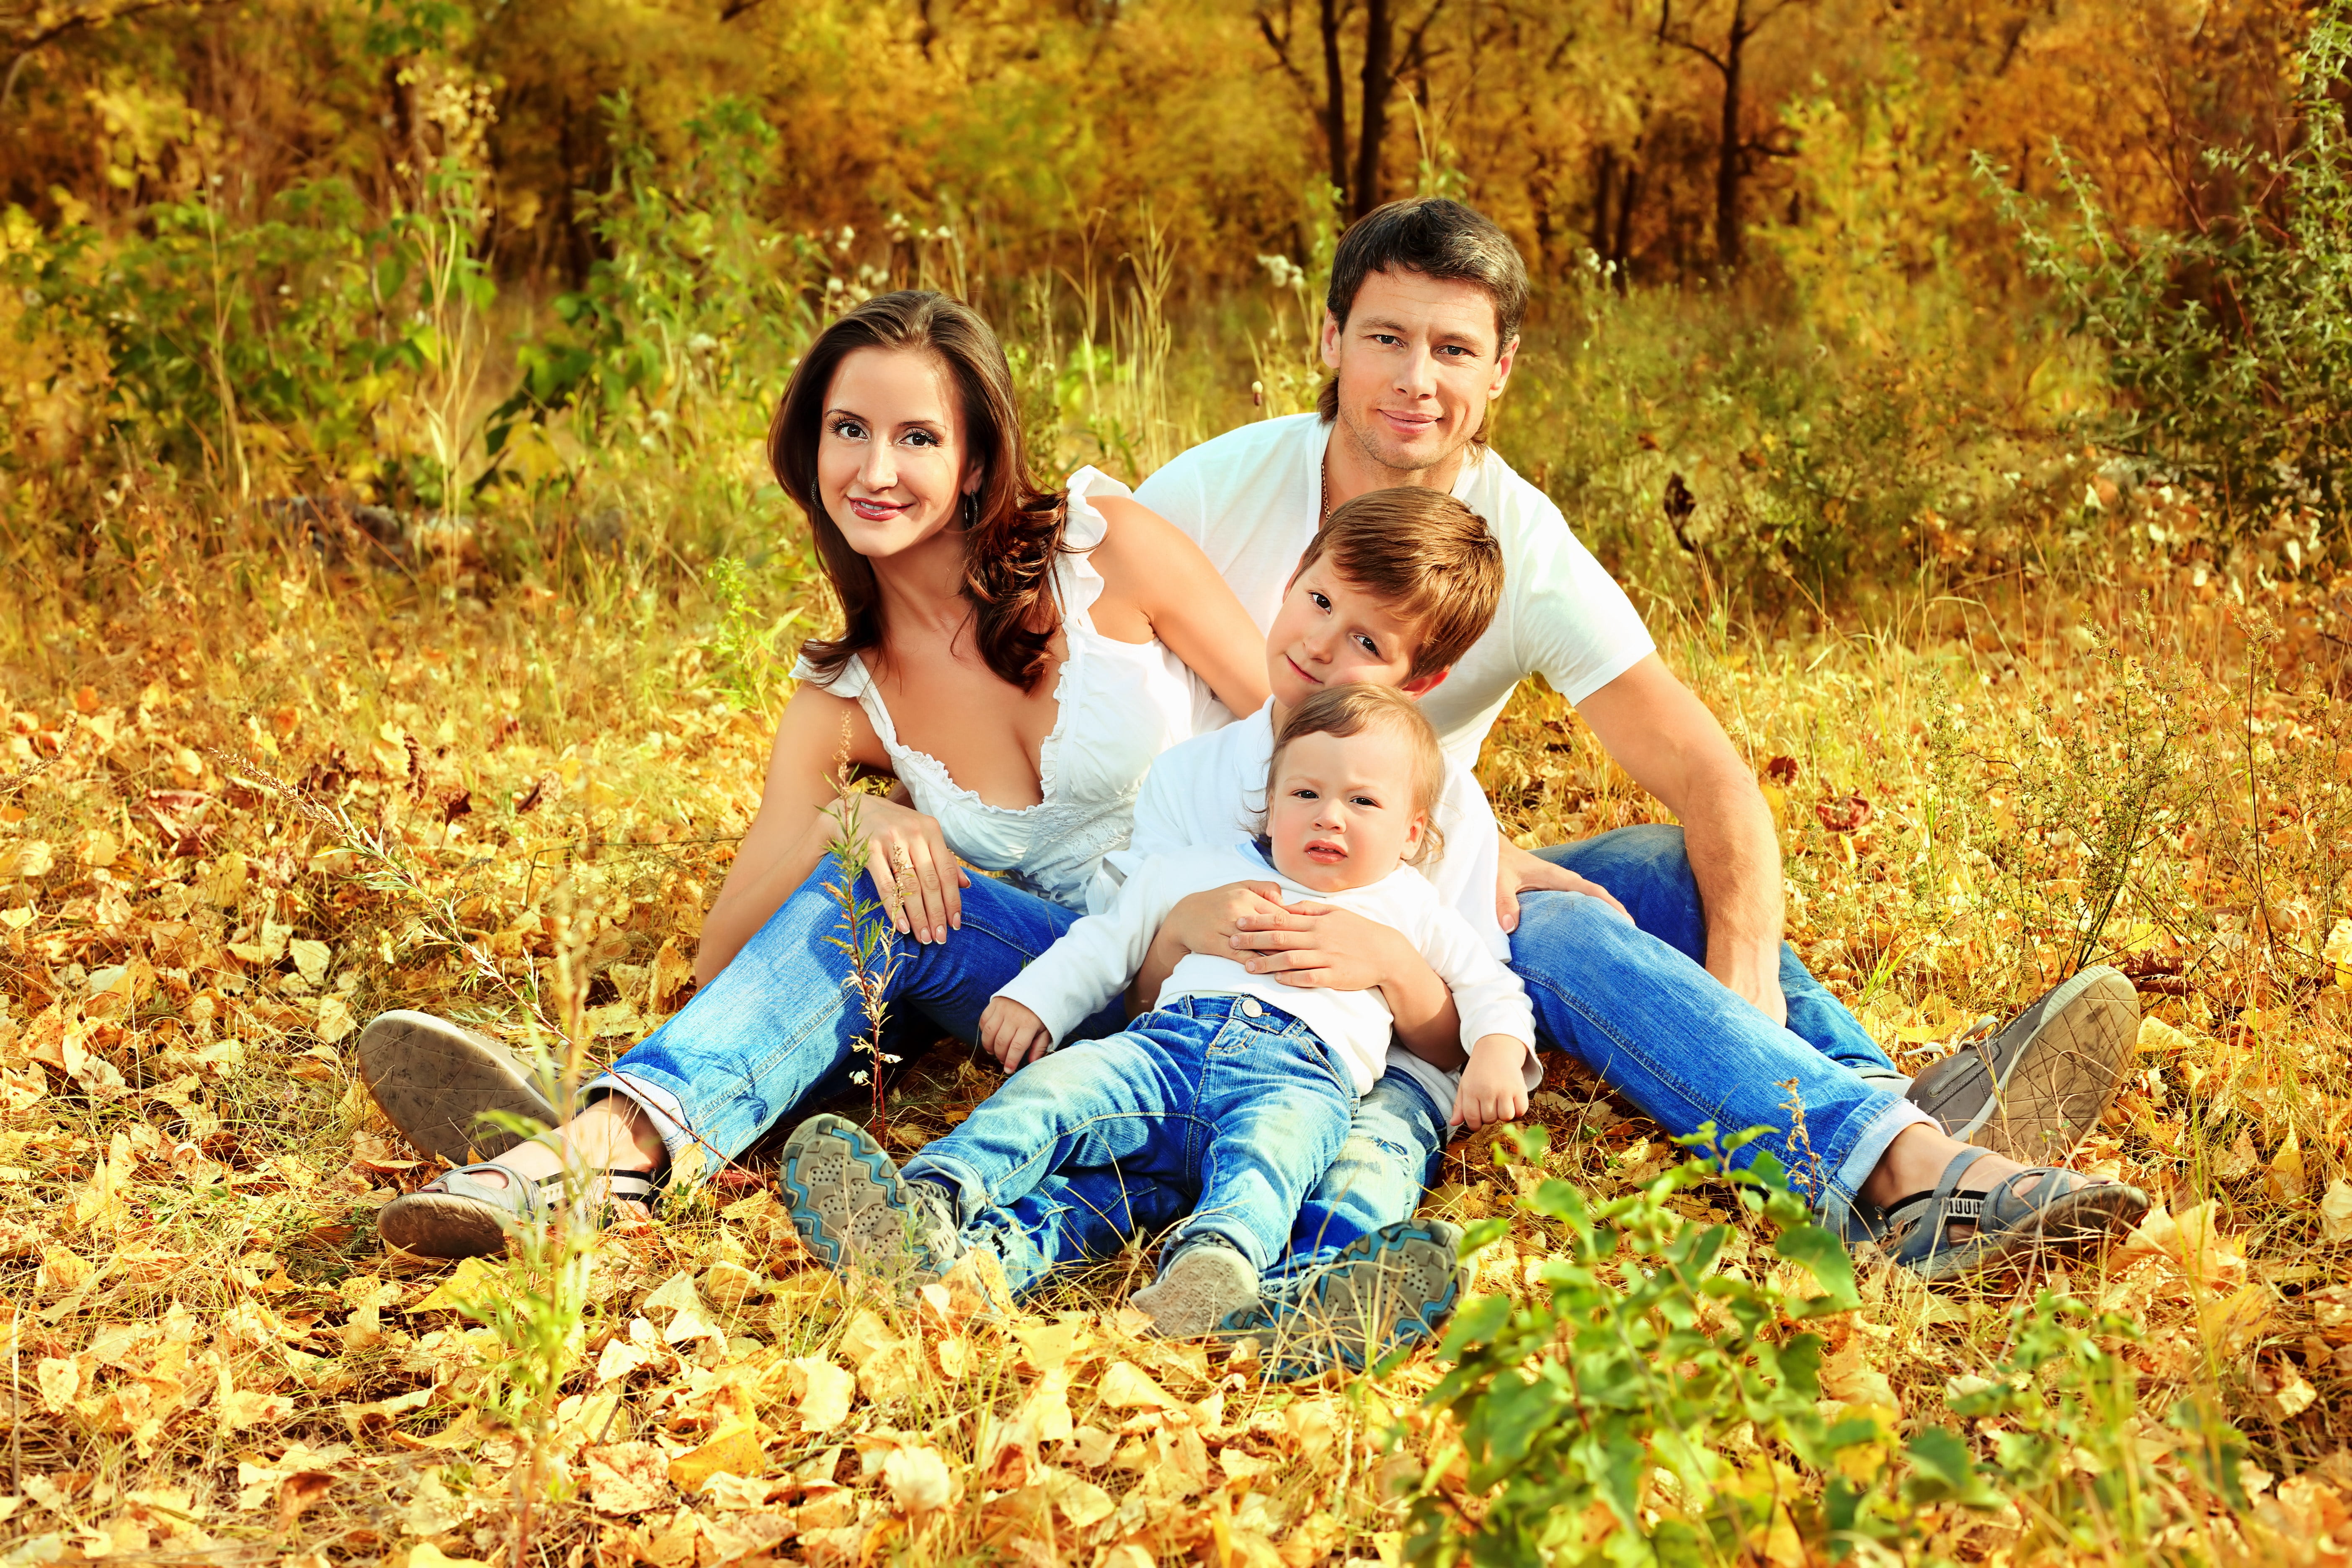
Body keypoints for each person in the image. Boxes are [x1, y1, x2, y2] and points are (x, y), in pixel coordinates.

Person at [959, 197, 2148, 1367]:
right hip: (1202, 908)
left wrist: (1740, 987)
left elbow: (1709, 776)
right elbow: (1032, 678)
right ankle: (1906, 1163)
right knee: (1569, 934)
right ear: (1329, 342)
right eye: (1385, 337)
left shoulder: (1519, 547)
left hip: (1409, 882)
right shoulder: (1217, 488)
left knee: (1662, 868)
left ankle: (1874, 1102)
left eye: (1454, 348)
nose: (1415, 377)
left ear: (1502, 371)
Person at [358, 289, 1271, 1258]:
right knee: (870, 891)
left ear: (973, 462)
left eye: (919, 438)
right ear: (812, 446)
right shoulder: (843, 700)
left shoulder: (1104, 550)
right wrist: (852, 824)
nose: (877, 470)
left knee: (886, 944)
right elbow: (729, 956)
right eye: (850, 430)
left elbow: (1301, 730)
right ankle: (604, 1148)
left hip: (1239, 977)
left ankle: (591, 1152)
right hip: (1073, 996)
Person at [776, 684, 1539, 1338]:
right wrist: (1035, 996)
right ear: (1269, 809)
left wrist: (1500, 1052)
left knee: (1272, 1158)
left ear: (1412, 833)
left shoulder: (1412, 908)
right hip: (1161, 1051)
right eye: (1305, 794)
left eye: (1362, 801)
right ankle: (931, 1205)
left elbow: (1486, 986)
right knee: (1054, 1093)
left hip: (1301, 1079)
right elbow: (1108, 938)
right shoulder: (1201, 870)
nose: (1328, 817)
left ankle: (1213, 1269)